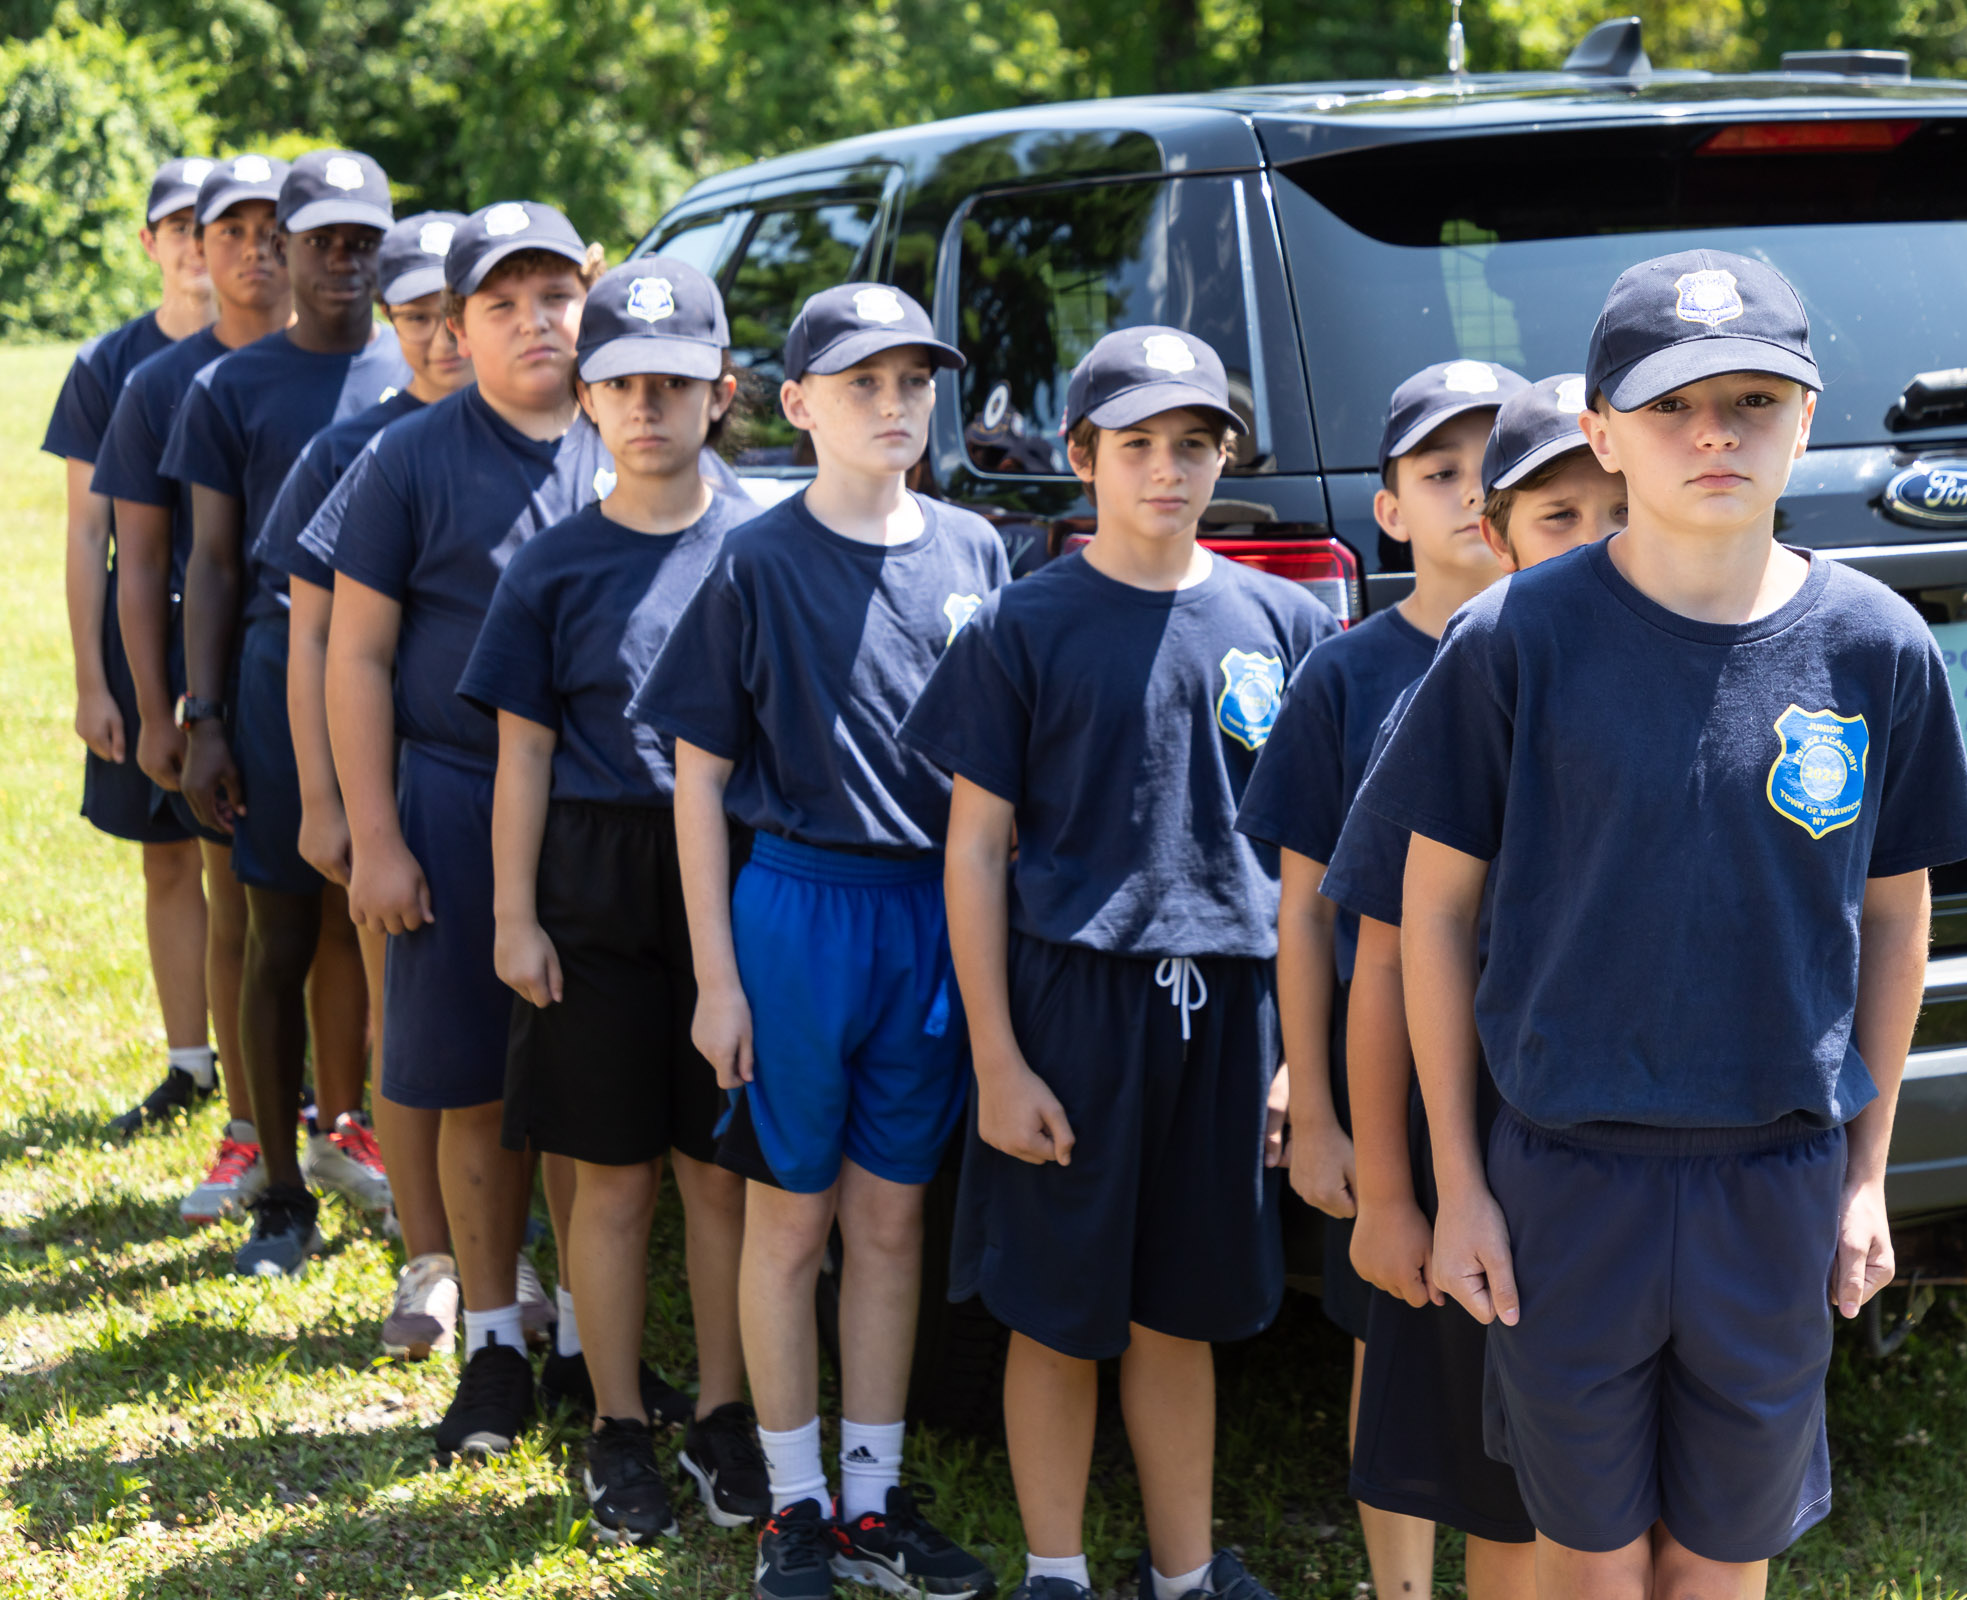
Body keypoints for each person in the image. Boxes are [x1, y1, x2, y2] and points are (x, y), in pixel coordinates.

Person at [1361, 253, 1967, 1599]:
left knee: (1720, 1556)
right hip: (1564, 1178)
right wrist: (1460, 1184)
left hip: (1775, 1177)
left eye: (1754, 400)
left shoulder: (1876, 648)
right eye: (1670, 406)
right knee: (1588, 1557)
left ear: (1807, 419)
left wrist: (1866, 1172)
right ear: (1599, 431)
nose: (1715, 435)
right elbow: (1432, 918)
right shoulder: (1512, 637)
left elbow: (1894, 918)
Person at [901, 326, 1339, 1600]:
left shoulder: (1283, 620)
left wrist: (1296, 1065)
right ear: (1082, 456)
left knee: (1179, 1310)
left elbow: (1313, 868)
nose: (1167, 468)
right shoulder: (1020, 629)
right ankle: (1056, 1570)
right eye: (1137, 444)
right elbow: (976, 853)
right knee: (1056, 1310)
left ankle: (1186, 1572)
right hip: (1071, 1007)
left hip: (1233, 1010)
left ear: (1224, 458)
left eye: (1193, 444)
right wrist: (996, 1057)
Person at [632, 282, 1005, 1600]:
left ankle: (871, 1496)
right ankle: (793, 1505)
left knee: (892, 1225)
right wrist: (717, 978)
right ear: (796, 406)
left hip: (932, 916)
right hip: (794, 910)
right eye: (863, 385)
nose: (894, 406)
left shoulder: (975, 550)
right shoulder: (756, 558)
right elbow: (692, 775)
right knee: (791, 1222)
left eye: (913, 382)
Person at [322, 200, 699, 1463]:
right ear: (458, 326)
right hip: (457, 797)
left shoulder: (637, 434)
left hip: (616, 824)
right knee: (480, 1087)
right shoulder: (413, 459)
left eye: (555, 297)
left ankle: (597, 1344)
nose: (535, 324)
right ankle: (492, 1339)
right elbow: (357, 652)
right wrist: (372, 829)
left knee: (589, 1098)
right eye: (502, 304)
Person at [459, 256, 763, 1544]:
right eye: (623, 383)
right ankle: (619, 1420)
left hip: (731, 883)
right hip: (589, 880)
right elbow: (521, 752)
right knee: (613, 1175)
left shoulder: (759, 548)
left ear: (722, 395)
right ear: (587, 399)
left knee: (721, 1178)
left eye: (675, 385)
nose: (648, 406)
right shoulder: (551, 566)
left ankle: (733, 1415)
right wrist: (513, 913)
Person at [1315, 372, 1631, 1600]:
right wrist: (1395, 1186)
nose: (1595, 545)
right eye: (1559, 517)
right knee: (1457, 1426)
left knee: (1554, 1471)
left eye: (1612, 515)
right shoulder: (1465, 673)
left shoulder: (1685, 660)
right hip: (1472, 1121)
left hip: (1622, 1147)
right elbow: (1383, 944)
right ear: (1495, 531)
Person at [1232, 359, 1525, 1600]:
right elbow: (1305, 915)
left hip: (1539, 1067)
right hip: (1390, 1061)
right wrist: (1314, 1095)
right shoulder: (1346, 677)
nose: (1468, 496)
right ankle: (1399, 1585)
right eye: (1436, 473)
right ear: (1388, 508)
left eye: (1489, 468)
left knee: (1525, 1342)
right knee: (1395, 1338)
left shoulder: (1562, 647)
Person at [165, 148, 410, 1277]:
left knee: (370, 916)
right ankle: (274, 1181)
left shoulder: (414, 369)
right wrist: (204, 710)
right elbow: (210, 564)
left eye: (366, 241)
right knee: (276, 926)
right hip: (275, 672)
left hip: (402, 669)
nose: (345, 262)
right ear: (288, 250)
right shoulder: (232, 388)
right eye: (326, 241)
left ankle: (354, 1130)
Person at [253, 210, 474, 1352]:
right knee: (410, 1023)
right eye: (420, 316)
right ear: (393, 324)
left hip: (516, 795)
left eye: (456, 311)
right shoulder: (354, 450)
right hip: (399, 789)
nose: (443, 337)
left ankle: (507, 1245)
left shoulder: (552, 431)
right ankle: (427, 1250)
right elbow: (312, 644)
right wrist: (330, 801)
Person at [90, 155, 293, 1223]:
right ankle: (249, 1123)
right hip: (216, 686)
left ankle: (338, 1113)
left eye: (278, 229)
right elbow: (141, 557)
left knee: (342, 924)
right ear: (197, 248)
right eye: (234, 230)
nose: (258, 250)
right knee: (236, 909)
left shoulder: (359, 369)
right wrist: (162, 702)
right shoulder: (158, 383)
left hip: (322, 681)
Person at [43, 158, 226, 1182]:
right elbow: (85, 533)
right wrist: (91, 681)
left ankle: (288, 1078)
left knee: (260, 869)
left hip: (238, 632)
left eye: (217, 221)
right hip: (138, 633)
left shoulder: (265, 352)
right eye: (179, 225)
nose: (199, 241)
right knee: (167, 858)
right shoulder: (108, 364)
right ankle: (190, 1061)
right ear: (149, 243)